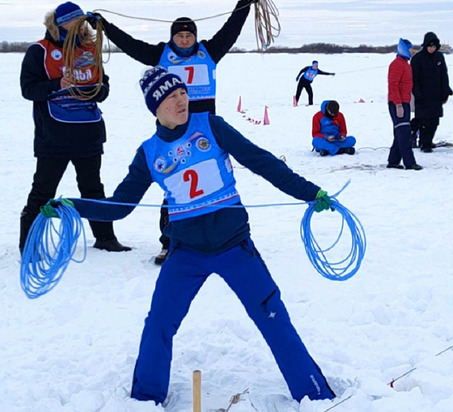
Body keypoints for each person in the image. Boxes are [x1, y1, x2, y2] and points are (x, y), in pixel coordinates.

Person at [54, 66, 336, 405]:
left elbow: (261, 161)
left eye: (183, 93)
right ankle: (145, 398)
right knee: (159, 323)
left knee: (272, 317)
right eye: (171, 96)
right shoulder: (149, 153)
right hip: (185, 253)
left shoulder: (211, 126)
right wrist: (72, 206)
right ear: (155, 107)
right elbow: (119, 207)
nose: (180, 100)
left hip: (234, 246)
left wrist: (310, 192)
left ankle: (314, 394)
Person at [89, 0, 256, 264]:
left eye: (189, 35)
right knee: (174, 186)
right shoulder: (161, 54)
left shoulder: (210, 51)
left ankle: (228, 236)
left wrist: (244, 5)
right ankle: (169, 242)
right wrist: (105, 27)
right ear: (172, 37)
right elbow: (131, 45)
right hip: (174, 131)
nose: (185, 39)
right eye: (180, 35)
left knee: (216, 181)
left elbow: (231, 28)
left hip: (208, 131)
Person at [19, 1, 130, 253]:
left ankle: (105, 238)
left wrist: (97, 91)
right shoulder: (40, 50)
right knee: (43, 190)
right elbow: (28, 89)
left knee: (93, 188)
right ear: (59, 24)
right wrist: (57, 84)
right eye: (73, 21)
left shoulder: (90, 49)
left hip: (88, 132)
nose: (80, 27)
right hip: (54, 135)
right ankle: (29, 245)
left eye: (82, 22)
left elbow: (104, 87)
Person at [410, 32, 453, 152]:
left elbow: (444, 75)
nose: (432, 49)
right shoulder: (417, 59)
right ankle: (424, 144)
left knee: (434, 121)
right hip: (422, 96)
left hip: (436, 95)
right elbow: (414, 79)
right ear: (425, 45)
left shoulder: (439, 57)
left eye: (434, 47)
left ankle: (428, 141)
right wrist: (417, 94)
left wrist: (446, 91)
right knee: (424, 121)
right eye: (430, 46)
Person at [387, 38, 423, 170]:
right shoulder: (396, 65)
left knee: (400, 133)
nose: (412, 51)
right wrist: (398, 104)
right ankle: (409, 162)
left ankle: (393, 161)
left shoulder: (405, 65)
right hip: (398, 103)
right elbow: (393, 86)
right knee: (404, 133)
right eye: (410, 48)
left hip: (404, 102)